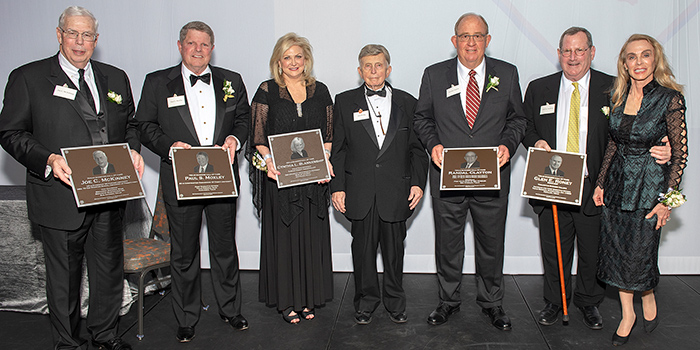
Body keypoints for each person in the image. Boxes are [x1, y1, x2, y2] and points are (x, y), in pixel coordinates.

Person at [0, 6, 143, 350]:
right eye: (73, 33)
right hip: (59, 195)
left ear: (97, 39)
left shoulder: (115, 77)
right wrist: (48, 158)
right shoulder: (29, 77)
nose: (80, 42)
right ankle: (67, 343)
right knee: (64, 277)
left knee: (109, 271)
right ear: (59, 34)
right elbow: (10, 132)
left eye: (87, 35)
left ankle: (106, 335)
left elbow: (132, 125)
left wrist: (134, 149)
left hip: (109, 191)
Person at [523, 27, 672, 331]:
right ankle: (555, 301)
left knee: (593, 251)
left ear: (592, 52)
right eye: (567, 51)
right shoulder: (538, 88)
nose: (573, 57)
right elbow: (525, 127)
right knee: (554, 249)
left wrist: (666, 144)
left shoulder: (614, 88)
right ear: (559, 54)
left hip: (596, 186)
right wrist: (536, 142)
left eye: (580, 50)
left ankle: (589, 302)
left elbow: (637, 125)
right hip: (552, 182)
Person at [135, 21, 250, 342]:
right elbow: (143, 124)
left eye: (204, 44)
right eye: (191, 43)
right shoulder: (157, 82)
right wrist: (168, 147)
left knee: (224, 248)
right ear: (180, 45)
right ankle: (186, 316)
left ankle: (231, 308)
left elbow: (244, 118)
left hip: (221, 179)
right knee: (184, 252)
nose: (198, 50)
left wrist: (234, 139)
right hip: (180, 180)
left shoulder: (232, 80)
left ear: (212, 48)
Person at [413, 13, 526, 330]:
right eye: (465, 36)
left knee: (491, 245)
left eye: (478, 35)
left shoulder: (507, 73)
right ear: (454, 41)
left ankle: (492, 302)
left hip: (492, 178)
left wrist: (507, 145)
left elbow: (518, 119)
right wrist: (433, 145)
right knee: (448, 245)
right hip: (447, 179)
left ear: (488, 40)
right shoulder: (434, 75)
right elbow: (422, 118)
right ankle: (447, 301)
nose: (471, 42)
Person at [593, 34, 687, 346]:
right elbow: (612, 144)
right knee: (619, 250)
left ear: (655, 60)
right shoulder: (616, 96)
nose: (639, 63)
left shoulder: (669, 99)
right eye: (632, 57)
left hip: (650, 186)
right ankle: (627, 313)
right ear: (624, 63)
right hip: (618, 183)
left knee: (641, 251)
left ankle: (647, 294)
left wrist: (666, 202)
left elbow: (680, 154)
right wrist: (601, 183)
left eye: (645, 55)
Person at [330, 44, 428, 325]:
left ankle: (396, 302)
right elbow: (338, 149)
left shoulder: (408, 102)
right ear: (360, 71)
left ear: (389, 69)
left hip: (397, 191)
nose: (374, 71)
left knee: (395, 252)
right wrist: (337, 187)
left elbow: (417, 150)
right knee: (362, 252)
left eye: (379, 65)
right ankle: (366, 302)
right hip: (359, 191)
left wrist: (419, 183)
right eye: (368, 66)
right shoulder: (345, 101)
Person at [247, 32, 334, 324]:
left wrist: (324, 161)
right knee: (284, 240)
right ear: (278, 61)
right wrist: (269, 162)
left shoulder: (320, 90)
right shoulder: (267, 90)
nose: (294, 62)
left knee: (311, 238)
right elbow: (258, 137)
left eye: (299, 56)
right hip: (281, 180)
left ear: (306, 60)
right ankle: (287, 301)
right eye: (287, 57)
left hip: (312, 181)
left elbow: (329, 135)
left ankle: (308, 298)